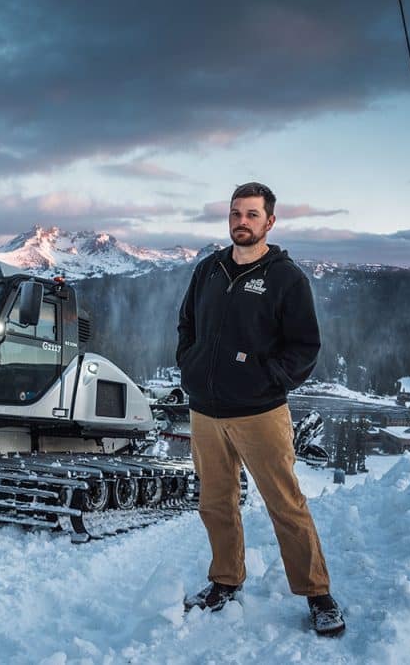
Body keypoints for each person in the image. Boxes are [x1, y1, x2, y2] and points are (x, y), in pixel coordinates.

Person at [176, 181, 345, 637]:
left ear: (270, 221)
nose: (242, 222)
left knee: (284, 503)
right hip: (206, 411)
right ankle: (225, 581)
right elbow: (187, 324)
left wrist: (264, 378)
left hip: (259, 412)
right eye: (235, 213)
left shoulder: (286, 277)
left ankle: (317, 593)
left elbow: (305, 347)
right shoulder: (209, 270)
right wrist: (189, 365)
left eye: (252, 214)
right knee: (215, 503)